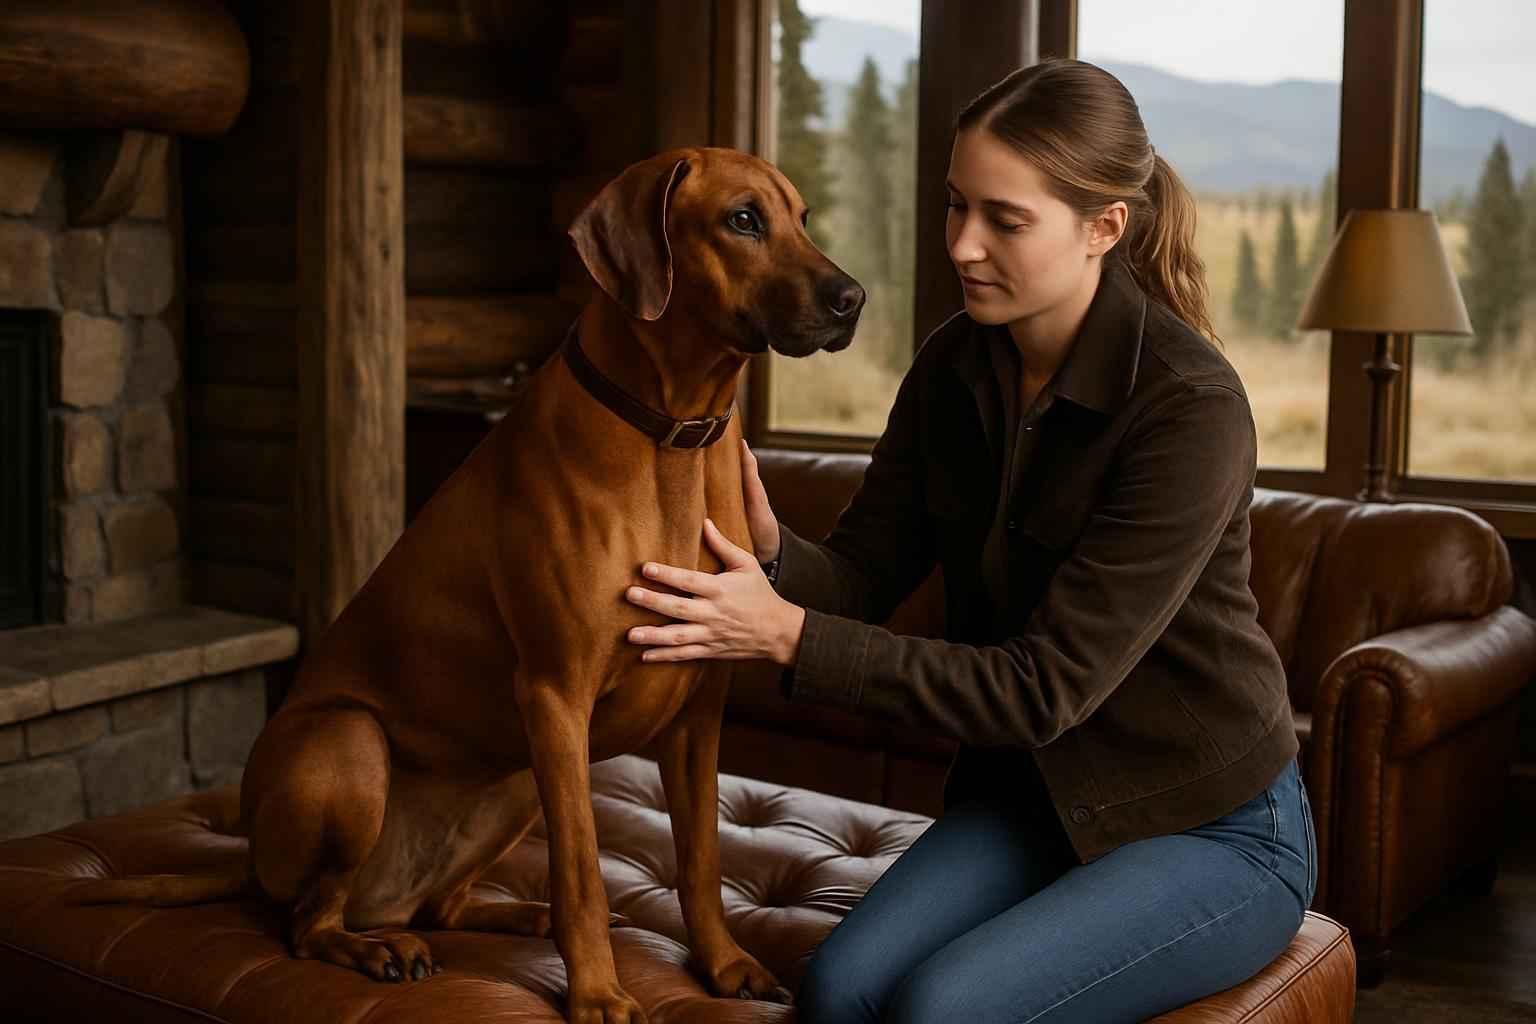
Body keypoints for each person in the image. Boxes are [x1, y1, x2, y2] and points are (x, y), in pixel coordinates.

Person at [621, 58, 1316, 1023]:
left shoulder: (1189, 409)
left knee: (942, 1010)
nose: (963, 244)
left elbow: (1042, 690)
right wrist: (775, 554)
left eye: (1005, 219)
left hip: (1214, 827)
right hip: (1035, 802)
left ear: (1103, 227)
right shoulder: (955, 363)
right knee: (840, 991)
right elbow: (862, 575)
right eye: (956, 205)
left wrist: (781, 635)